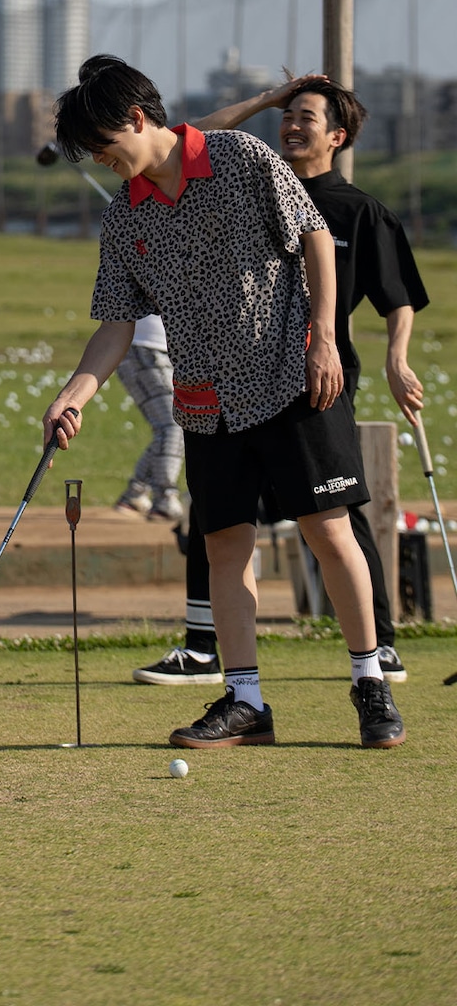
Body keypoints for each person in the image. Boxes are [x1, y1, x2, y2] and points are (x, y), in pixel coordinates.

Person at [44, 55, 405, 750]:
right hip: (206, 400)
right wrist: (74, 393)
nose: (97, 159)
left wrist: (324, 339)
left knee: (329, 533)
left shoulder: (242, 157)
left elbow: (315, 239)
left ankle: (370, 681)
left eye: (100, 144)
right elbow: (117, 323)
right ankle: (245, 702)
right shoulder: (125, 217)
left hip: (295, 380)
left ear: (138, 119)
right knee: (224, 548)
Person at [133, 78, 428, 687]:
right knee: (219, 520)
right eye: (286, 117)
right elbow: (174, 145)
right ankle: (206, 647)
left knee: (332, 517)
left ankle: (378, 651)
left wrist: (397, 360)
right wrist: (268, 98)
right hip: (227, 379)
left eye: (307, 118)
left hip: (318, 373)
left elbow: (398, 299)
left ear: (337, 137)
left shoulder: (358, 210)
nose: (292, 125)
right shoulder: (245, 174)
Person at [113, 313, 184, 522]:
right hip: (144, 348)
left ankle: (135, 493)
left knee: (173, 425)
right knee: (173, 424)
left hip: (162, 349)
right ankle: (164, 499)